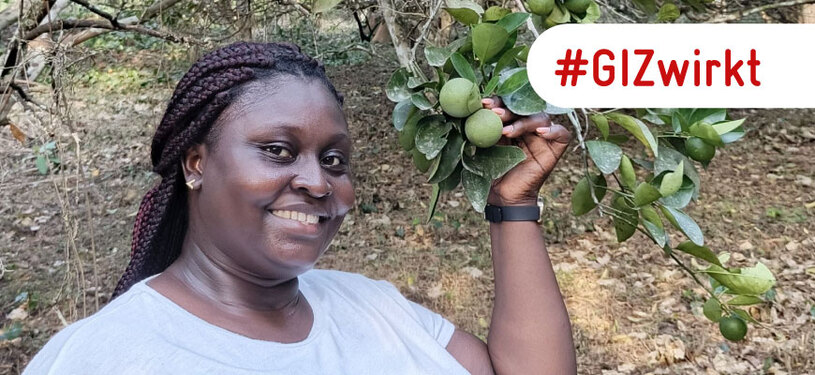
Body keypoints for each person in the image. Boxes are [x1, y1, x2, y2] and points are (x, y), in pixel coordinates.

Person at [23, 41, 575, 374]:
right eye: (277, 151)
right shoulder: (103, 357)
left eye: (334, 160)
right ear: (196, 164)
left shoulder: (373, 307)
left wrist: (514, 203)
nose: (316, 182)